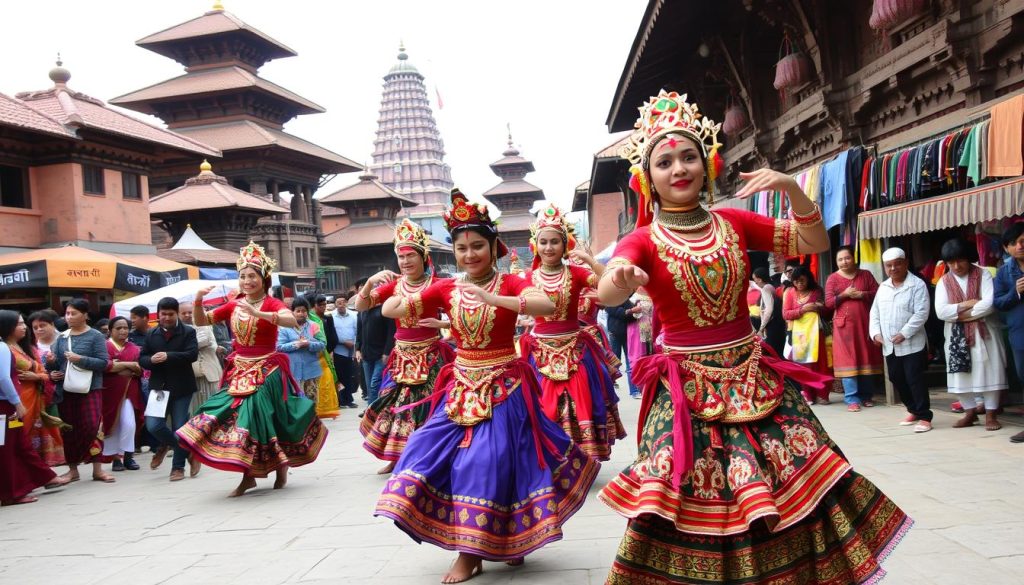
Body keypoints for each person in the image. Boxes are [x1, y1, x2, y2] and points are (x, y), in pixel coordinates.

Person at [596, 90, 910, 584]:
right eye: (664, 162)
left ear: (707, 164)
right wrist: (622, 279)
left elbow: (816, 241)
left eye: (688, 156)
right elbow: (608, 289)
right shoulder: (644, 239)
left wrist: (791, 187)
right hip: (688, 392)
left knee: (796, 485)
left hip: (755, 377)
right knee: (690, 503)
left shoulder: (734, 222)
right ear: (648, 179)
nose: (678, 168)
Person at [375, 189, 599, 583]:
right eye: (461, 248)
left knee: (497, 460)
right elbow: (390, 309)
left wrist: (493, 297)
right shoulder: (447, 288)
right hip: (461, 386)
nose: (469, 255)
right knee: (424, 449)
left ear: (494, 247)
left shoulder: (512, 281)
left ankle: (484, 548)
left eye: (477, 246)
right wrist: (399, 289)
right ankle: (476, 548)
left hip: (505, 386)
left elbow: (545, 306)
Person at [179, 242, 328, 497]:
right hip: (239, 369)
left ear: (263, 278)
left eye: (252, 276)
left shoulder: (271, 303)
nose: (247, 281)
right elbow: (202, 320)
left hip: (267, 368)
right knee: (217, 410)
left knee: (255, 415)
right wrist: (198, 300)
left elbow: (291, 320)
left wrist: (258, 313)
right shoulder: (234, 303)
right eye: (243, 276)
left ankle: (256, 474)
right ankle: (256, 468)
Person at [519, 202, 625, 461]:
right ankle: (553, 458)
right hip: (539, 351)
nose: (548, 247)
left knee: (583, 404)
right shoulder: (527, 278)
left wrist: (589, 261)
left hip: (575, 351)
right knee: (543, 407)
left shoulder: (576, 273)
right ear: (535, 244)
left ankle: (582, 459)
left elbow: (607, 281)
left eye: (555, 241)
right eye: (543, 242)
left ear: (565, 244)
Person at [356, 219, 456, 474]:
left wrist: (443, 324)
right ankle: (396, 456)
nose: (406, 261)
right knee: (394, 406)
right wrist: (370, 283)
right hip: (401, 357)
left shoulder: (438, 283)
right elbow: (362, 306)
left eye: (411, 255)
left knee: (428, 406)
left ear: (424, 257)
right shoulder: (394, 284)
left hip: (431, 355)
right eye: (401, 257)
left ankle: (429, 455)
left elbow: (461, 315)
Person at [935, 238, 1007, 431]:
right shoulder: (943, 281)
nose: (956, 266)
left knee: (989, 370)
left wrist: (958, 314)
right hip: (956, 337)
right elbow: (941, 312)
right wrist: (967, 305)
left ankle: (991, 414)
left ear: (968, 258)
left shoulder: (983, 275)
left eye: (960, 260)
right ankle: (970, 412)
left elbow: (989, 304)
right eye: (951, 262)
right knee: (961, 374)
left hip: (985, 332)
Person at [0, 311, 67, 505]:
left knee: (20, 444)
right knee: (9, 448)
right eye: (19, 323)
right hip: (6, 407)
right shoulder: (3, 347)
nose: (24, 327)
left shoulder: (15, 347)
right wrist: (16, 403)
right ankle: (11, 493)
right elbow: (4, 378)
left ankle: (44, 477)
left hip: (9, 405)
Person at [45, 299, 114, 483]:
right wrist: (51, 367)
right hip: (65, 389)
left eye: (73, 313)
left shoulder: (95, 336)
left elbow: (104, 363)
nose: (69, 317)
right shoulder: (61, 338)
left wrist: (80, 359)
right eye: (67, 313)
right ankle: (73, 469)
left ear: (85, 315)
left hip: (89, 388)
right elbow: (53, 365)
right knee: (69, 430)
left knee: (92, 425)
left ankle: (97, 469)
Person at [870, 247, 933, 432]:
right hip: (889, 345)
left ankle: (925, 416)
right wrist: (875, 333)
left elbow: (922, 313)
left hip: (912, 343)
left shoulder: (917, 284)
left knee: (915, 378)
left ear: (905, 263)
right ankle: (913, 409)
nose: (893, 268)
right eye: (889, 265)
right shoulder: (883, 287)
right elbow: (875, 312)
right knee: (896, 378)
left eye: (897, 264)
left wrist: (904, 333)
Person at [139, 297, 199, 482]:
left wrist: (168, 356)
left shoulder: (188, 332)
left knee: (179, 428)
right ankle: (186, 451)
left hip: (182, 387)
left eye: (170, 314)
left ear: (176, 314)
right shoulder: (151, 333)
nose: (166, 317)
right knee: (153, 426)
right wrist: (150, 361)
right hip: (158, 388)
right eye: (163, 314)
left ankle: (178, 467)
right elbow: (142, 359)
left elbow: (192, 354)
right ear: (158, 314)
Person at [825, 246, 883, 412]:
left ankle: (866, 396)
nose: (844, 262)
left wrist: (863, 294)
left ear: (853, 258)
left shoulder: (865, 275)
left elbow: (878, 293)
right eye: (840, 259)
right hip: (844, 327)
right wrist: (844, 295)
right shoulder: (832, 279)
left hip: (864, 323)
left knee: (866, 357)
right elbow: (828, 303)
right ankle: (851, 398)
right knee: (848, 360)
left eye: (847, 258)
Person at [15, 310, 65, 467]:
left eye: (24, 323)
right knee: (21, 435)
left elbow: (44, 374)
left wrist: (37, 376)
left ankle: (43, 470)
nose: (33, 329)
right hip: (19, 399)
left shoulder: (28, 348)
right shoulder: (7, 349)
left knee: (47, 430)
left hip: (42, 396)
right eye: (20, 324)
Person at [994, 223, 1024, 443]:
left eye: (1022, 240)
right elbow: (998, 303)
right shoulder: (1005, 272)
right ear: (1006, 248)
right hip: (1019, 332)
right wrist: (1015, 292)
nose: (1019, 246)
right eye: (1014, 243)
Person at [101, 316, 142, 472]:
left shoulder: (134, 348)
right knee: (113, 423)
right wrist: (129, 366)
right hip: (109, 392)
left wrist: (121, 367)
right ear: (111, 330)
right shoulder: (104, 347)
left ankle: (128, 455)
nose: (123, 331)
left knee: (130, 423)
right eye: (119, 328)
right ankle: (116, 458)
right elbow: (106, 366)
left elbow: (140, 370)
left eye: (125, 328)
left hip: (130, 391)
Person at [277, 297, 326, 401]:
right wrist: (296, 344)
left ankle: (312, 417)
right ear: (292, 312)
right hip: (292, 371)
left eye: (303, 311)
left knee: (312, 401)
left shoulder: (314, 326)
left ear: (307, 312)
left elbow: (322, 344)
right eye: (298, 311)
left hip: (311, 370)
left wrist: (309, 344)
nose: (301, 313)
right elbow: (278, 347)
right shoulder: (284, 327)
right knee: (295, 402)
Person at [180, 302, 223, 412]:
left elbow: (206, 341)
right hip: (190, 376)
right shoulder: (177, 330)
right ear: (178, 314)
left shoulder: (205, 325)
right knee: (194, 411)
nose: (187, 315)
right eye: (183, 313)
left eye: (190, 312)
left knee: (213, 408)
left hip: (210, 372)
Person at [355, 299, 396, 409]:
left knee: (375, 383)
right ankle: (374, 409)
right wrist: (357, 349)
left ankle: (371, 411)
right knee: (369, 386)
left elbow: (391, 332)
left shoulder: (384, 310)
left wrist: (387, 352)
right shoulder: (362, 311)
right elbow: (359, 332)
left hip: (381, 354)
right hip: (366, 354)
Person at [307, 294, 341, 419]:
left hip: (322, 353)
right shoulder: (307, 320)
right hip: (309, 356)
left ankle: (325, 409)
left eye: (324, 304)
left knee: (326, 380)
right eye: (319, 305)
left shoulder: (321, 320)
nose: (323, 307)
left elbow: (325, 340)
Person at [604, 299, 639, 398]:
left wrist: (629, 311)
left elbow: (631, 316)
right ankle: (608, 387)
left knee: (630, 363)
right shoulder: (609, 298)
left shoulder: (626, 298)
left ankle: (634, 390)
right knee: (614, 363)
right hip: (615, 333)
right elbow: (616, 312)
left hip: (627, 333)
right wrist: (630, 311)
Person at [331, 294, 359, 408]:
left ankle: (348, 399)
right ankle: (340, 399)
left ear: (347, 303)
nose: (341, 305)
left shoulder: (354, 316)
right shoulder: (331, 316)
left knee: (349, 376)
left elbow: (357, 332)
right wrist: (342, 342)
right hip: (337, 351)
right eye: (338, 303)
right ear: (335, 304)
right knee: (338, 376)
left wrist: (356, 348)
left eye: (343, 302)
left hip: (351, 351)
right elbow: (331, 335)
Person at [752, 266, 786, 357]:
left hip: (773, 325)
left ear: (759, 279)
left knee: (773, 354)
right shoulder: (771, 286)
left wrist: (761, 329)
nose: (755, 282)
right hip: (778, 324)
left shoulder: (766, 288)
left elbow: (769, 310)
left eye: (755, 279)